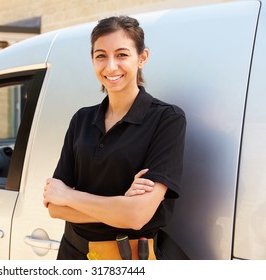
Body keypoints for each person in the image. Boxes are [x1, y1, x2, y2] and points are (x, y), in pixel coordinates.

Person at [43, 16, 187, 260]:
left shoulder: (167, 119)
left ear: (142, 58)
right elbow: (55, 209)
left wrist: (69, 196)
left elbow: (137, 217)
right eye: (101, 56)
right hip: (72, 254)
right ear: (92, 60)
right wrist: (121, 205)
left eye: (121, 54)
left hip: (127, 258)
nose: (110, 67)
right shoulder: (81, 119)